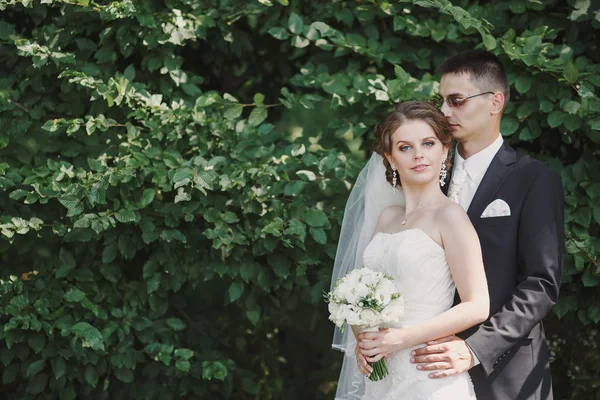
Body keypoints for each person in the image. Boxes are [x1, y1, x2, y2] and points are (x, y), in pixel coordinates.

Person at [408, 49, 565, 400]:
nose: (445, 112)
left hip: (507, 373)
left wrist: (475, 348)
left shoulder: (534, 180)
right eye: (442, 101)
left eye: (457, 100)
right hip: (424, 367)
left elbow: (541, 283)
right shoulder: (425, 178)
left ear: (495, 102)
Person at [331, 101, 489, 399]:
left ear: (444, 150)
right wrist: (362, 341)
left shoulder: (450, 216)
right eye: (405, 147)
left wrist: (401, 339)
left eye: (428, 143)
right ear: (390, 158)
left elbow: (477, 305)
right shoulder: (386, 217)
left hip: (428, 374)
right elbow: (361, 294)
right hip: (382, 376)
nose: (418, 154)